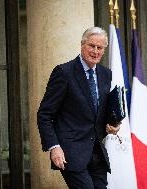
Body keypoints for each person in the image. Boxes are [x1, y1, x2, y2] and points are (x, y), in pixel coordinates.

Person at [37, 26, 120, 189]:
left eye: (100, 47)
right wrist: (54, 147)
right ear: (82, 45)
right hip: (71, 152)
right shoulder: (63, 72)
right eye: (92, 46)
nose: (95, 51)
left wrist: (112, 124)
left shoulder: (106, 74)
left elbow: (98, 112)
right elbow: (44, 114)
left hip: (97, 153)